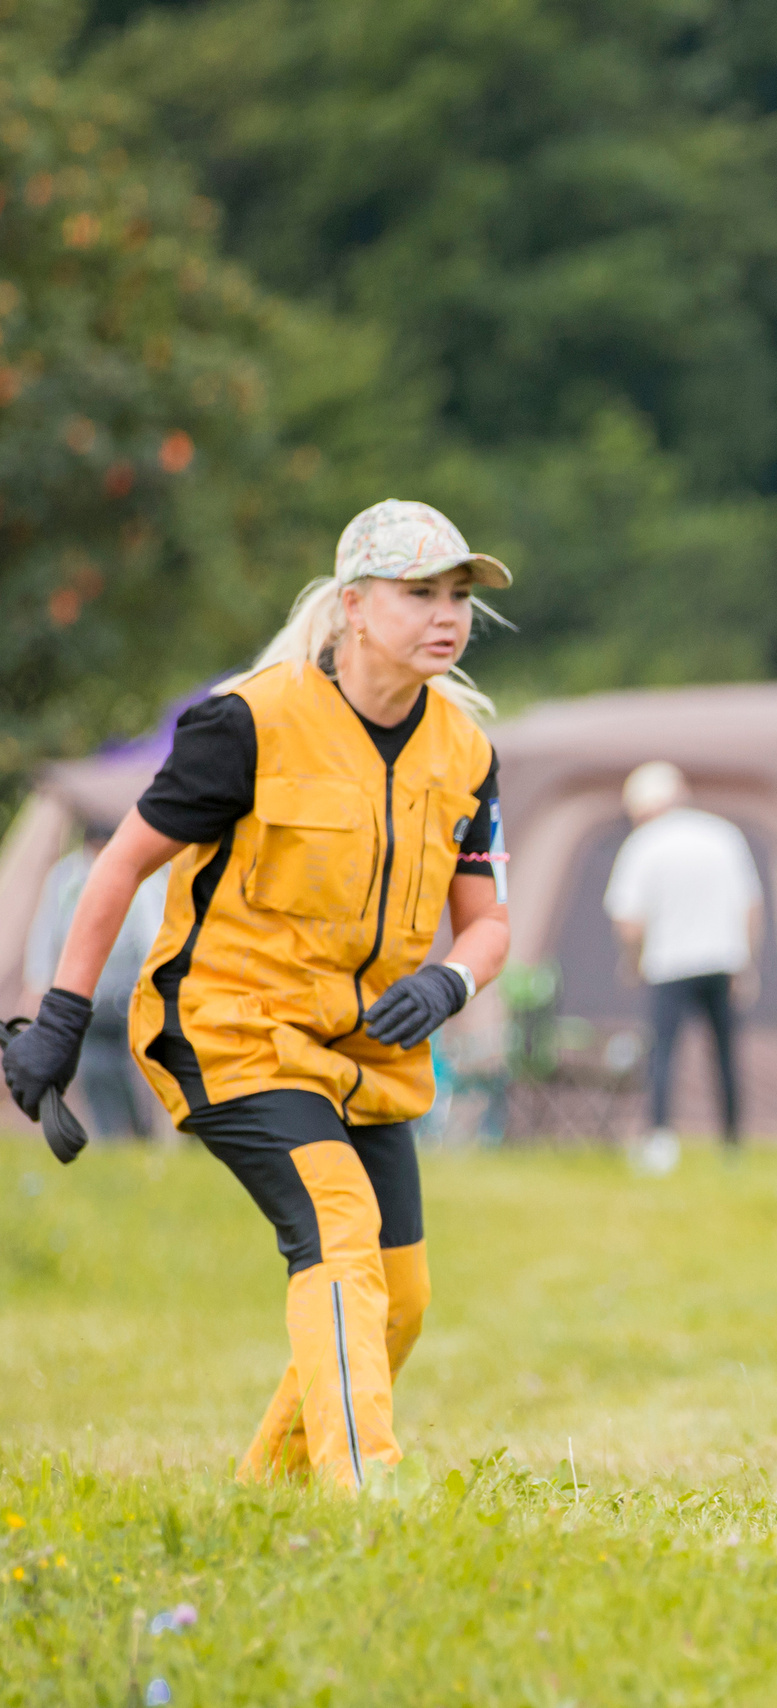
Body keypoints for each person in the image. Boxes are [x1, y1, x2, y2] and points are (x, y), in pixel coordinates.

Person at [3, 499, 513, 1494]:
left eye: (459, 595)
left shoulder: (465, 753)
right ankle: (364, 1494)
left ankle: (264, 1495)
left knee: (399, 1299)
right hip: (232, 1030)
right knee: (336, 1230)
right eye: (421, 593)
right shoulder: (249, 721)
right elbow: (117, 868)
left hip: (364, 1051)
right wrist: (60, 1019)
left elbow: (487, 923)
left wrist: (448, 983)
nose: (447, 614)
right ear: (356, 605)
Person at [604, 761, 761, 1168]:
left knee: (663, 1055)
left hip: (668, 964)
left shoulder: (644, 844)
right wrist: (747, 962)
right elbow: (750, 905)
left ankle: (660, 1142)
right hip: (723, 960)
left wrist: (632, 960)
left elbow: (628, 919)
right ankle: (732, 1144)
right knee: (725, 1055)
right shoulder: (723, 834)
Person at [23, 829, 167, 1139]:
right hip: (88, 991)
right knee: (94, 1068)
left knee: (142, 1071)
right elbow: (46, 933)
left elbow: (150, 934)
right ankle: (112, 1135)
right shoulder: (65, 878)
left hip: (131, 990)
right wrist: (38, 983)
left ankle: (142, 1133)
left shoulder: (140, 874)